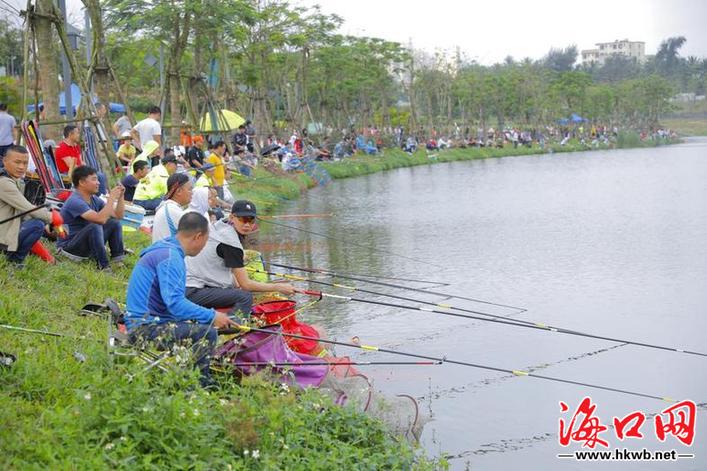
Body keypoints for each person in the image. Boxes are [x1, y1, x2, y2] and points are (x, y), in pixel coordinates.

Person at [125, 212, 237, 388]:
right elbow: (175, 304)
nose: (203, 247)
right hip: (143, 330)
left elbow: (171, 303)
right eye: (205, 241)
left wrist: (204, 317)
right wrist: (212, 316)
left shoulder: (166, 249)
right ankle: (198, 386)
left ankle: (189, 374)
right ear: (198, 237)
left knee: (202, 324)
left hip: (144, 322)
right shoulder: (171, 258)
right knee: (207, 332)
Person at [186, 200, 295, 316]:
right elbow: (246, 285)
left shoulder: (220, 225)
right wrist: (278, 287)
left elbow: (230, 273)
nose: (247, 224)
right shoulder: (230, 242)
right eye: (243, 219)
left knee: (236, 287)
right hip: (192, 291)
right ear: (232, 217)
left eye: (251, 220)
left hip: (187, 285)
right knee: (245, 297)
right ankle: (230, 326)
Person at [0, 145, 61, 266]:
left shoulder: (15, 180)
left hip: (6, 228)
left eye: (25, 163)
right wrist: (52, 217)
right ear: (4, 161)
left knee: (37, 224)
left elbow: (22, 213)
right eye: (17, 162)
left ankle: (45, 258)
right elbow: (27, 208)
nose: (21, 167)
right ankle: (15, 261)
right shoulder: (3, 182)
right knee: (37, 225)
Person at [57, 165, 125, 271]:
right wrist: (111, 198)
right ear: (82, 182)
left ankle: (117, 259)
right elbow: (100, 219)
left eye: (98, 179)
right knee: (95, 226)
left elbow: (118, 216)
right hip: (69, 248)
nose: (98, 183)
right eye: (94, 179)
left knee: (114, 223)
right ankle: (103, 266)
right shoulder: (75, 201)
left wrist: (120, 197)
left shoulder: (94, 199)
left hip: (86, 243)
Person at [152, 173, 193, 243]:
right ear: (179, 191)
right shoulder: (173, 210)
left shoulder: (168, 207)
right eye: (189, 189)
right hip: (168, 252)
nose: (192, 193)